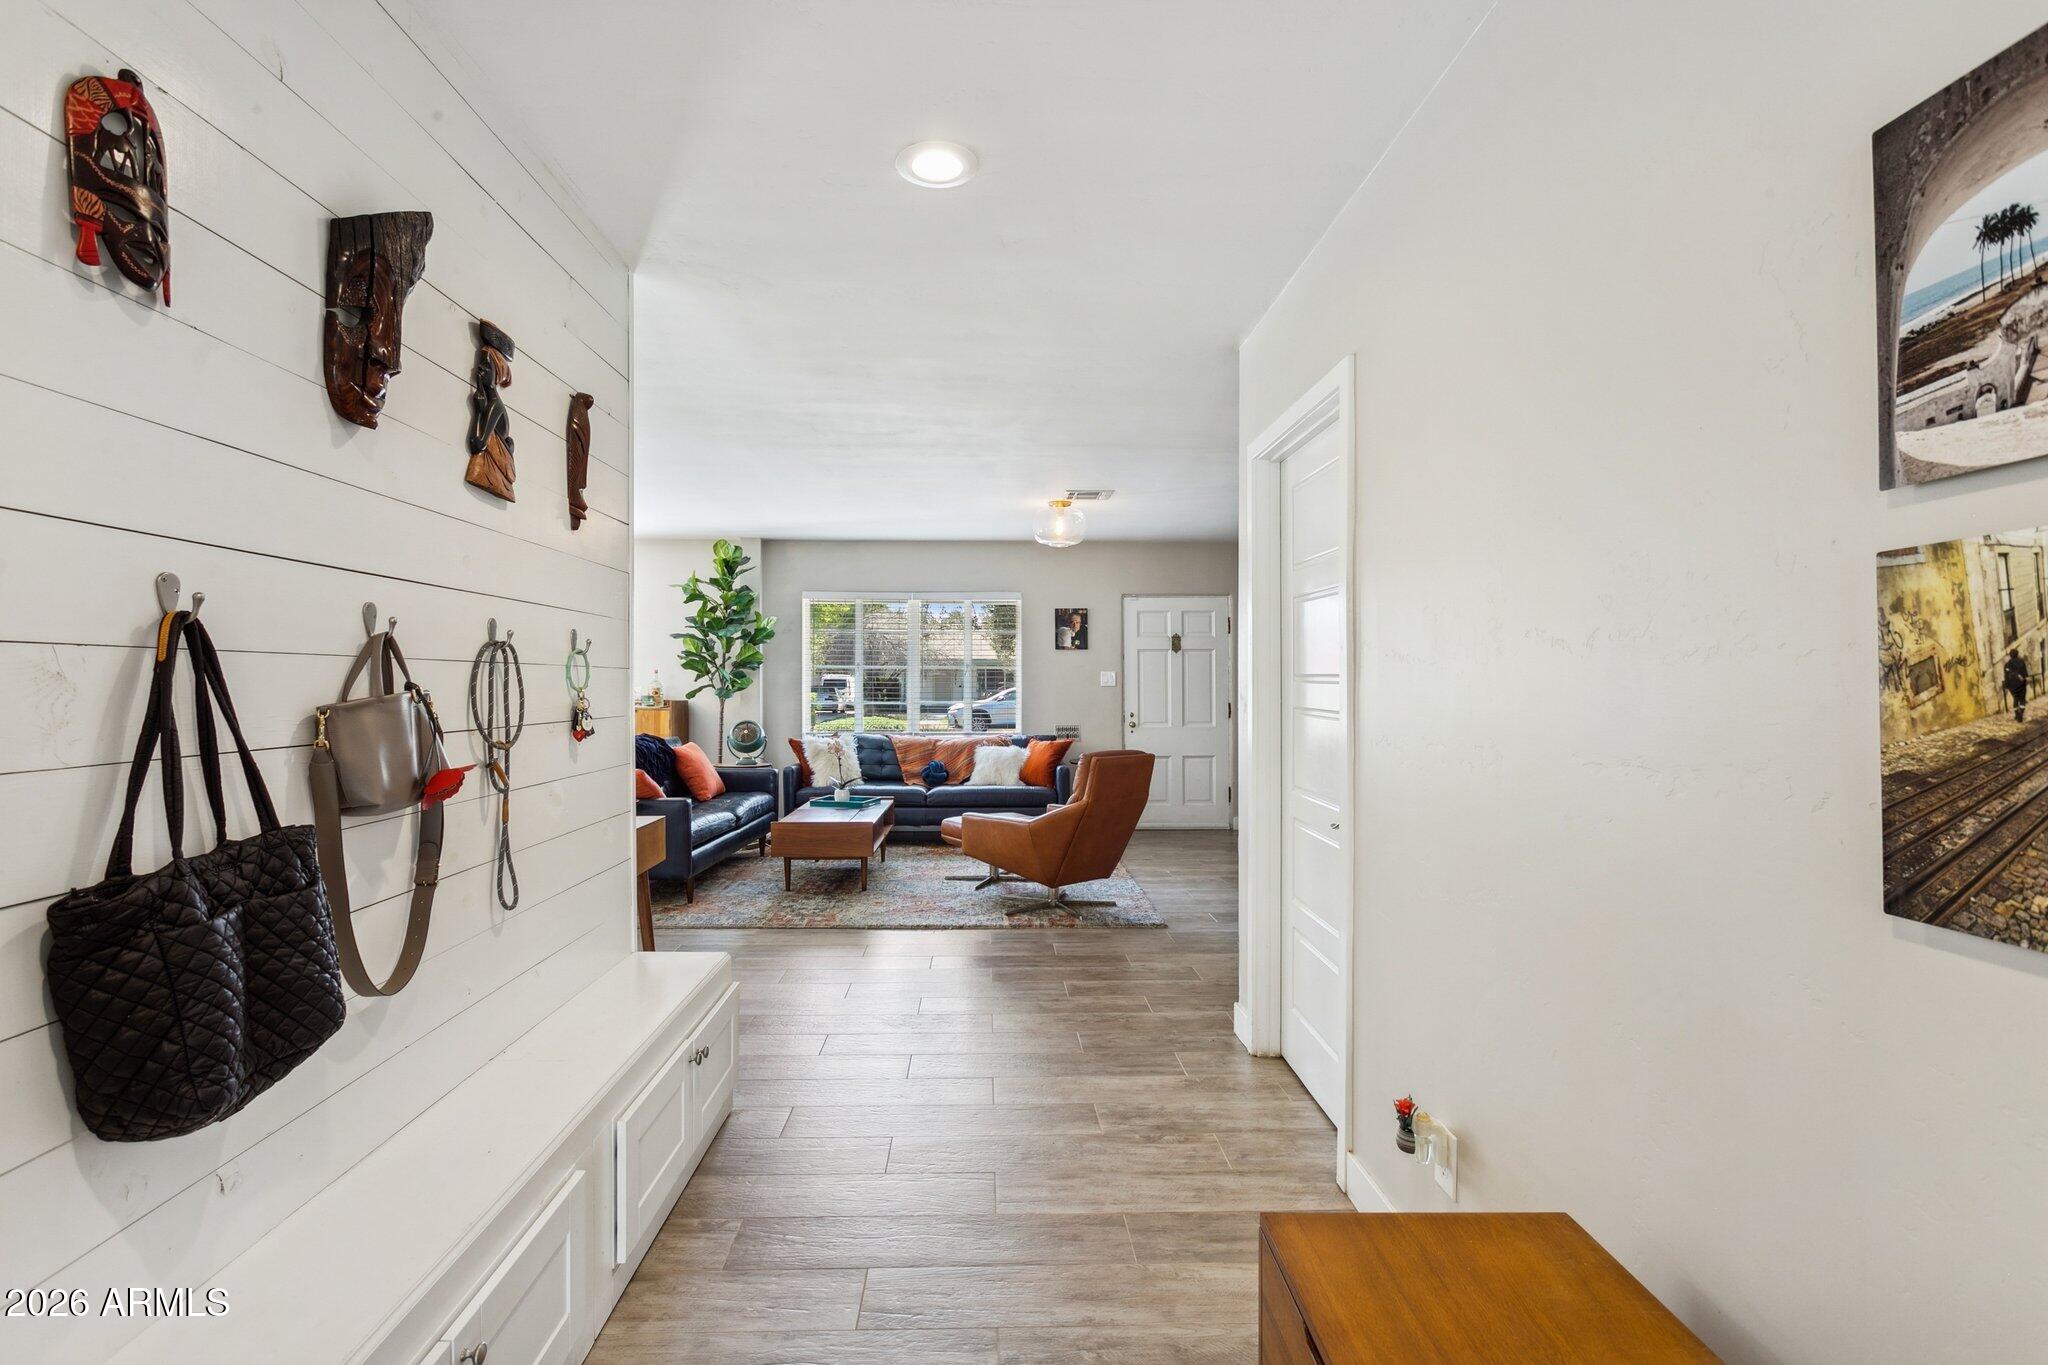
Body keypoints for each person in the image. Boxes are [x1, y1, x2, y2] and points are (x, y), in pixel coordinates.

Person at [2005, 647, 2031, 724]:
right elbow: (2025, 674)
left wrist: (2007, 686)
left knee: (2015, 699)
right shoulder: (2022, 662)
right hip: (2021, 685)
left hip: (2012, 687)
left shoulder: (2007, 665)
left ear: (2010, 655)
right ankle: (2021, 714)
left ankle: (2016, 714)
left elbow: (2006, 676)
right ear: (2017, 654)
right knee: (2022, 700)